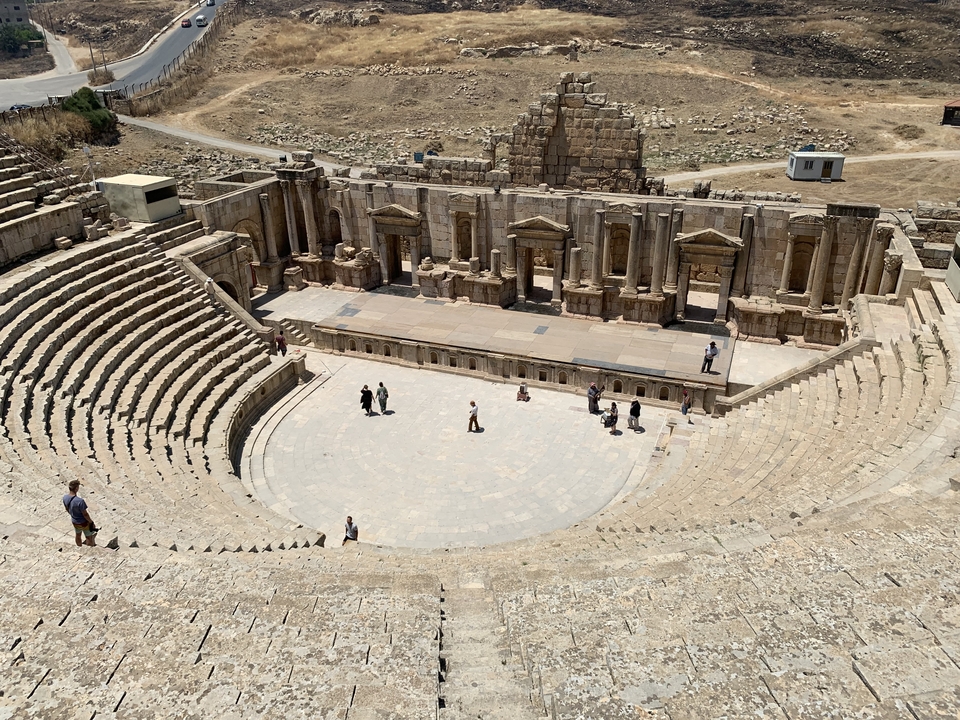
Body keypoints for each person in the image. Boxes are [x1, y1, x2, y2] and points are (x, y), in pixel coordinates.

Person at [63, 480, 97, 547]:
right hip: (84, 522)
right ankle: (88, 548)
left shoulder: (65, 498)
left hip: (74, 521)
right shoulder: (80, 501)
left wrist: (73, 515)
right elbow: (85, 514)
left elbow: (67, 508)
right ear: (76, 488)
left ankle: (79, 547)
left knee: (78, 535)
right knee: (88, 536)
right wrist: (91, 522)